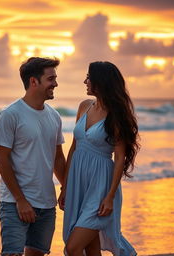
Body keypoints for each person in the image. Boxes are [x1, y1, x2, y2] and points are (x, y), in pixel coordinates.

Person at [58, 61, 140, 256]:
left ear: (101, 82)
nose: (85, 81)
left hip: (100, 185)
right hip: (79, 183)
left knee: (73, 247)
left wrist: (110, 197)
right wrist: (65, 186)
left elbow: (120, 157)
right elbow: (74, 147)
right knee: (90, 248)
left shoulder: (117, 115)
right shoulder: (84, 106)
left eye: (89, 78)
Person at [0, 57, 66, 256]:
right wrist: (20, 200)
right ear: (34, 81)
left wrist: (66, 187)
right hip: (15, 204)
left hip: (46, 203)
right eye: (51, 79)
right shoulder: (10, 114)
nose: (55, 84)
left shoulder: (54, 116)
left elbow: (58, 158)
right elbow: (1, 160)